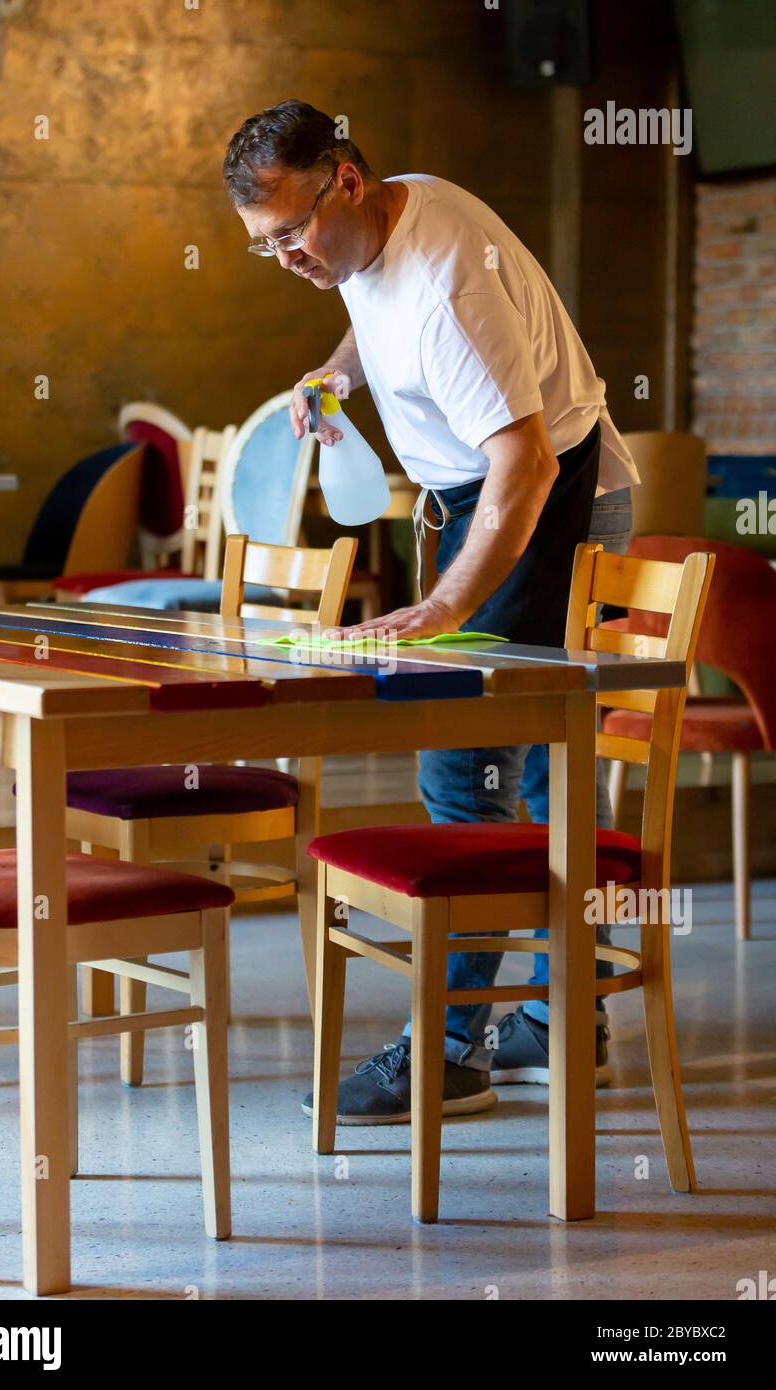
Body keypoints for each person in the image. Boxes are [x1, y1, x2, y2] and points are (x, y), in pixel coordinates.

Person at [223, 100, 638, 1124]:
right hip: (489, 492)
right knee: (542, 760)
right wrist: (335, 373)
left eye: (290, 234)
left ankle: (455, 1045)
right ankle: (562, 1012)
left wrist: (447, 599)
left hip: (546, 492)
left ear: (346, 181)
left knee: (465, 762)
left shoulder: (448, 275)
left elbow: (527, 459)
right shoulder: (380, 223)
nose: (283, 258)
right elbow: (375, 310)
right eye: (262, 246)